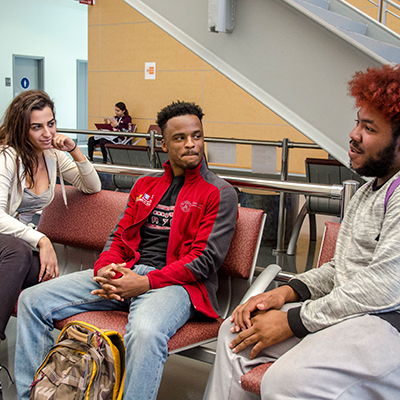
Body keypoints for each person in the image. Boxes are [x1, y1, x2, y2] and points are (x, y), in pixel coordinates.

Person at [15, 101, 238, 400]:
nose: (191, 144)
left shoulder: (219, 192)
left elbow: (204, 260)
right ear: (163, 143)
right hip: (127, 274)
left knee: (146, 333)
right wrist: (105, 269)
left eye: (196, 136)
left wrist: (144, 283)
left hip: (177, 286)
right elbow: (118, 237)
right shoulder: (146, 186)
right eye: (180, 138)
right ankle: (31, 395)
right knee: (32, 300)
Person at [206, 64, 400, 400]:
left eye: (369, 128)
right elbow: (342, 269)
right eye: (357, 121)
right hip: (347, 316)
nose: (354, 134)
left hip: (386, 326)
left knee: (287, 381)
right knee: (234, 335)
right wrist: (287, 293)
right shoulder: (367, 194)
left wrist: (292, 321)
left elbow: (383, 290)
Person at [0, 90, 101, 343]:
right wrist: (41, 240)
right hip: (12, 244)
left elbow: (92, 186)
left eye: (51, 124)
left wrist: (74, 150)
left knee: (45, 276)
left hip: (17, 245)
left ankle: (47, 367)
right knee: (19, 254)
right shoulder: (7, 157)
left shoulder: (52, 155)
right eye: (37, 127)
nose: (47, 133)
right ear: (22, 129)